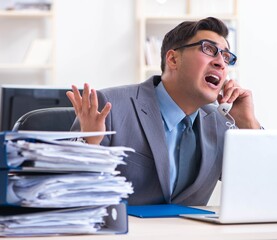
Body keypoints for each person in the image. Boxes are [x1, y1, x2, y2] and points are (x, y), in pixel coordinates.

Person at [66, 17, 262, 206]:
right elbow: (66, 191)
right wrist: (89, 144)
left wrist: (249, 123)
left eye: (226, 57)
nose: (220, 62)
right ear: (173, 59)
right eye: (209, 49)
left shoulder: (221, 123)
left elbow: (259, 185)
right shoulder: (108, 106)